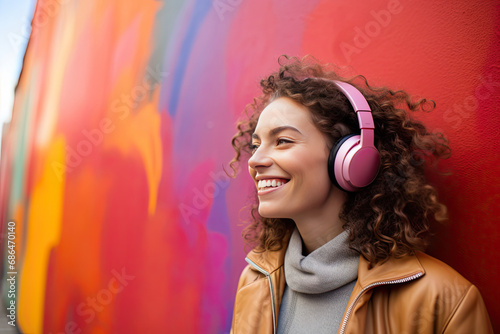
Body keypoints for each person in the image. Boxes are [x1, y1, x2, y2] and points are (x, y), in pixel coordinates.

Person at [229, 56, 493, 334]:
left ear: (352, 159)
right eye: (256, 145)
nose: (255, 160)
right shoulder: (254, 283)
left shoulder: (442, 300)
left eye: (282, 141)